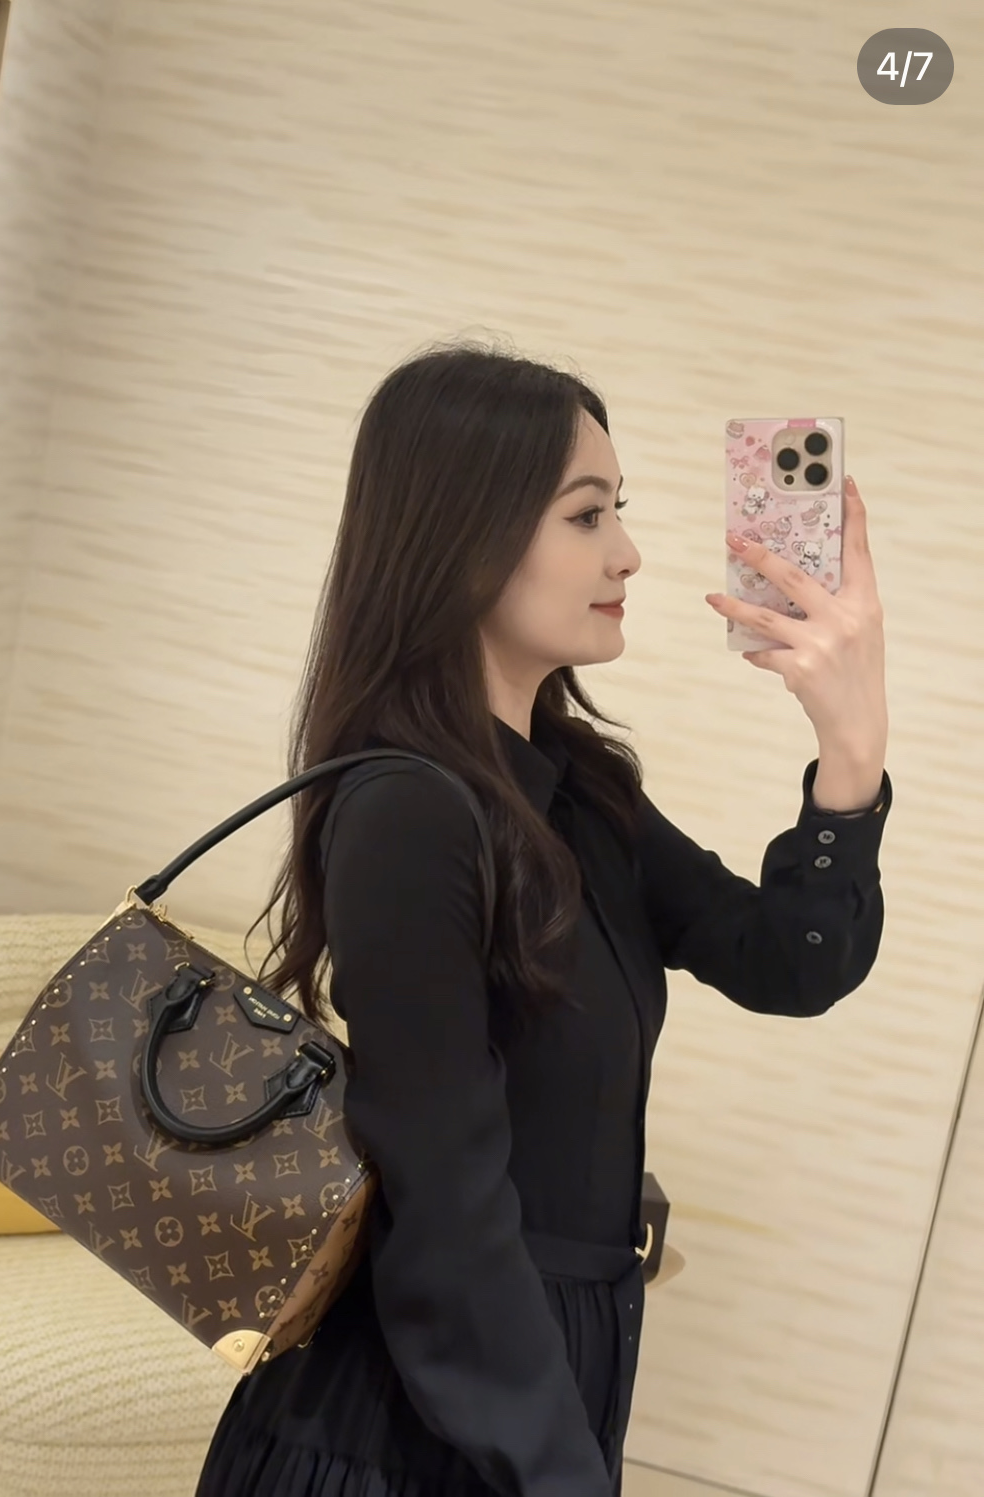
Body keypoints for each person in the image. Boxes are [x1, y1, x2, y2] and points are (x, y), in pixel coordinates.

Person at [195, 342, 891, 1497]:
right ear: (462, 533)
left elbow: (789, 962)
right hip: (407, 1428)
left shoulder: (580, 790)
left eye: (619, 510)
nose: (628, 552)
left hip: (534, 1381)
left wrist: (851, 748)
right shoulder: (410, 812)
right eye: (585, 515)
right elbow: (448, 1215)